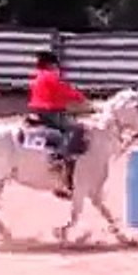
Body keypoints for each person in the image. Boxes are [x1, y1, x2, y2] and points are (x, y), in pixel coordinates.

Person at [27, 50, 91, 196]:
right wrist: (83, 100)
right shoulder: (50, 76)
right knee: (76, 129)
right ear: (51, 64)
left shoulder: (37, 77)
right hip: (50, 112)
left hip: (39, 110)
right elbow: (65, 91)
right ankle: (60, 157)